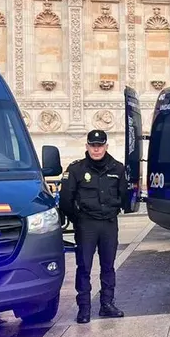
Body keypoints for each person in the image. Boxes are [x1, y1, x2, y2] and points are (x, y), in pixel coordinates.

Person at [59, 129, 128, 324]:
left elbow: (124, 196)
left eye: (100, 146)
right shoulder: (76, 170)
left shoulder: (117, 169)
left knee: (108, 266)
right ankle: (84, 308)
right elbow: (65, 200)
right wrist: (78, 219)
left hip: (108, 223)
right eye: (93, 146)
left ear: (106, 146)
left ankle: (107, 305)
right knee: (84, 267)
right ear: (87, 146)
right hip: (86, 224)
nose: (96, 150)